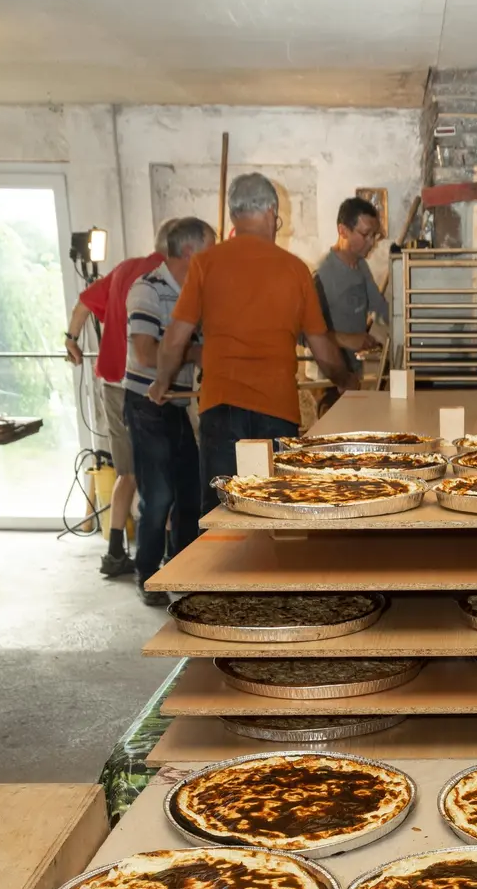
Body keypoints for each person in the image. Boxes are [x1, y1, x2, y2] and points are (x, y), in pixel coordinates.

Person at [150, 172, 353, 510]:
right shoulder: (294, 270)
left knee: (220, 512)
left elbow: (174, 340)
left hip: (220, 408)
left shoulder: (204, 264)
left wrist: (161, 382)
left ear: (233, 216)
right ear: (272, 213)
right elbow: (322, 349)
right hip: (276, 411)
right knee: (273, 510)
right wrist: (346, 380)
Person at [65, 223, 170, 578]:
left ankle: (113, 552)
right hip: (146, 386)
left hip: (111, 382)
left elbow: (83, 303)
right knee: (163, 472)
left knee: (127, 472)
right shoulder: (166, 276)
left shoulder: (125, 269)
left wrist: (71, 339)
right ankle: (167, 553)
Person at [124, 216, 215, 600]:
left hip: (175, 403)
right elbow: (145, 354)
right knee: (158, 495)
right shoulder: (147, 289)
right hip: (147, 403)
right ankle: (147, 573)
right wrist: (197, 351)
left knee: (190, 490)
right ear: (191, 251)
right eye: (211, 247)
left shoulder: (196, 292)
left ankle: (181, 568)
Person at [313, 197, 389, 376]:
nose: (372, 242)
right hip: (328, 376)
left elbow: (380, 309)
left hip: (353, 371)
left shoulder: (361, 265)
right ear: (343, 231)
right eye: (366, 235)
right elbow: (303, 334)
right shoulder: (322, 275)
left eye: (374, 235)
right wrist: (347, 339)